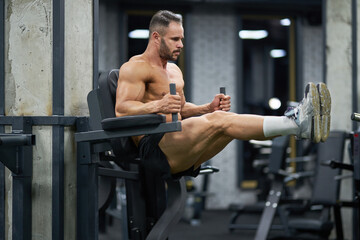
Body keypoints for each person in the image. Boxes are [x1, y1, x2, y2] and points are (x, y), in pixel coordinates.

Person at [115, 10, 331, 179]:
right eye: (174, 39)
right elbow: (122, 110)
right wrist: (156, 106)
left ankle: (296, 127)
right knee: (220, 121)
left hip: (178, 145)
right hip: (155, 149)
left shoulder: (173, 69)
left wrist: (206, 109)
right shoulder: (135, 67)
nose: (181, 44)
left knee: (228, 124)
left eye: (181, 38)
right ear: (156, 37)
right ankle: (296, 122)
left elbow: (178, 108)